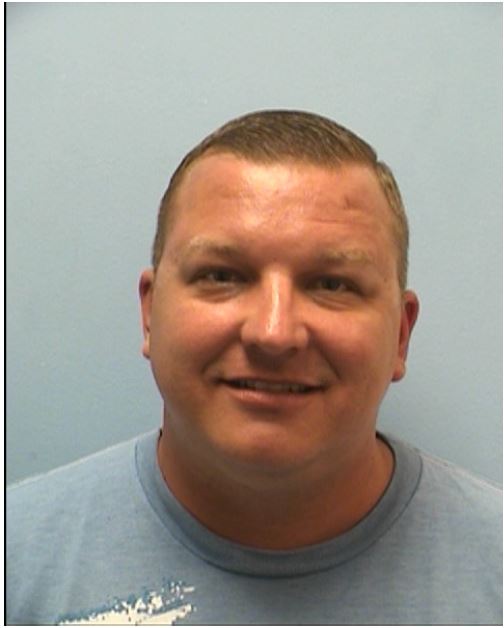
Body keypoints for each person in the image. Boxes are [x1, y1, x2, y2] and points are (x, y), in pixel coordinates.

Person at [7, 110, 502, 626]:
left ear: (400, 334)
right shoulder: (15, 564)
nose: (273, 332)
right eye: (222, 276)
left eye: (331, 284)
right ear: (150, 314)